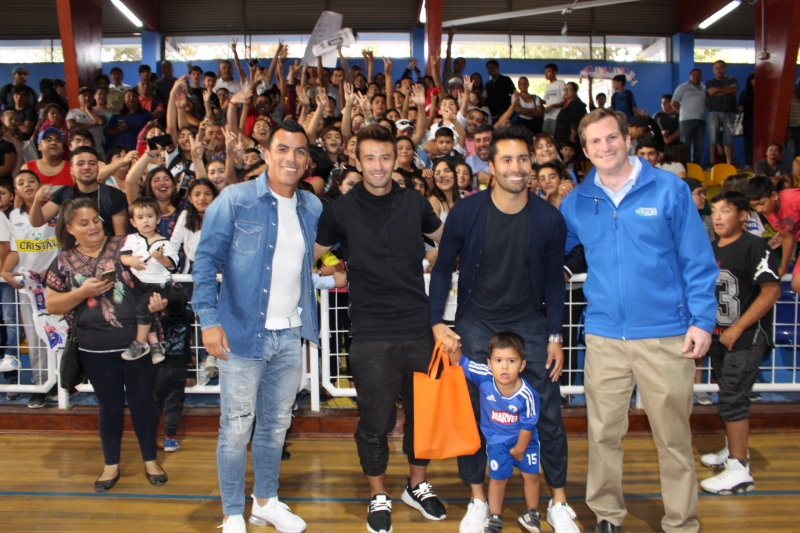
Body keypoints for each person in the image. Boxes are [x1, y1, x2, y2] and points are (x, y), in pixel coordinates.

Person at [559, 108, 718, 533]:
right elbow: (559, 249)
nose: (605, 147)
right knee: (602, 434)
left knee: (673, 438)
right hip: (604, 336)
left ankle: (681, 521)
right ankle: (607, 514)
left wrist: (702, 321)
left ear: (627, 139)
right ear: (584, 150)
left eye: (611, 137)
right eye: (595, 141)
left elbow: (698, 260)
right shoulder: (576, 203)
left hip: (667, 335)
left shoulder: (670, 189)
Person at [429, 126, 578, 533]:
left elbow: (554, 280)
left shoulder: (549, 218)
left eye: (523, 158)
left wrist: (555, 335)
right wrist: (438, 322)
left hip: (530, 326)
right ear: (490, 166)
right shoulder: (466, 213)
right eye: (507, 159)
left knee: (548, 413)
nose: (517, 167)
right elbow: (442, 269)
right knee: (473, 416)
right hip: (477, 324)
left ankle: (558, 500)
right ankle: (478, 500)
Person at [314, 125, 446, 533]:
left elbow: (448, 240)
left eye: (385, 157)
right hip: (371, 331)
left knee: (423, 417)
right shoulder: (339, 209)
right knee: (375, 422)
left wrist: (435, 257)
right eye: (369, 158)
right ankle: (378, 494)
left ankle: (416, 486)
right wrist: (332, 270)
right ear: (356, 160)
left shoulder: (414, 202)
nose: (378, 165)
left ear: (396, 159)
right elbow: (312, 254)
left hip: (417, 326)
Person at [193, 120, 320, 533]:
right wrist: (209, 321)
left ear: (307, 160)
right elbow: (205, 262)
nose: (291, 158)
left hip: (290, 335)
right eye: (282, 148)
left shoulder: (312, 207)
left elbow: (310, 258)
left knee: (276, 426)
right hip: (241, 334)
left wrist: (334, 268)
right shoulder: (235, 199)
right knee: (235, 428)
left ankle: (265, 502)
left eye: (299, 151)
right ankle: (232, 513)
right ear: (266, 153)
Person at [44, 198, 168, 491]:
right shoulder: (63, 260)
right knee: (108, 406)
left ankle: (150, 460)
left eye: (95, 220)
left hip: (137, 341)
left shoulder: (127, 245)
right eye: (84, 223)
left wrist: (158, 301)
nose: (93, 227)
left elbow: (158, 279)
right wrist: (81, 293)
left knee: (143, 403)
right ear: (70, 228)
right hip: (94, 347)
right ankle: (111, 464)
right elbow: (52, 304)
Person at [697, 191, 781, 495]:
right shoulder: (711, 248)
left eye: (726, 211)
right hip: (719, 336)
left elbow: (771, 291)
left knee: (733, 398)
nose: (718, 217)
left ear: (743, 215)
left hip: (746, 337)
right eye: (715, 211)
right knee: (727, 393)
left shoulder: (754, 246)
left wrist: (738, 328)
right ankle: (733, 448)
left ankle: (739, 469)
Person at [449, 332, 542, 533]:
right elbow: (459, 362)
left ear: (522, 365)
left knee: (531, 476)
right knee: (497, 479)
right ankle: (495, 516)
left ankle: (532, 513)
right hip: (497, 442)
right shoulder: (484, 376)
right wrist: (452, 344)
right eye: (499, 360)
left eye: (511, 361)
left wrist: (519, 449)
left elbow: (528, 426)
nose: (504, 367)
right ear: (489, 364)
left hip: (525, 441)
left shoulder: (528, 395)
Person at [0, 170, 60, 408]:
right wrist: (6, 271)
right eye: (21, 183)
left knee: (60, 333)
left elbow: (67, 244)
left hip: (55, 285)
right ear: (16, 191)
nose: (27, 185)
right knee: (35, 337)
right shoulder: (14, 215)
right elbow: (16, 249)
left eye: (31, 181)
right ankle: (40, 385)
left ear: (40, 185)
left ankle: (62, 383)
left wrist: (53, 271)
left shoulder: (56, 210)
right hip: (28, 288)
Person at [119, 197, 180, 363]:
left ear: (158, 219)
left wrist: (161, 258)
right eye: (140, 217)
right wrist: (131, 260)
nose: (145, 221)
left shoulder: (164, 243)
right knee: (145, 313)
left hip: (157, 284)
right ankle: (155, 345)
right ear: (133, 222)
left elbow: (173, 265)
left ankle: (139, 344)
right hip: (138, 283)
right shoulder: (132, 239)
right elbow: (123, 257)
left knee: (143, 309)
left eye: (150, 216)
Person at [29, 147, 129, 237]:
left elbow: (120, 236)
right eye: (80, 164)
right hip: (72, 249)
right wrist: (37, 202)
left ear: (98, 168)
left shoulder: (114, 195)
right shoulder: (64, 194)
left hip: (106, 249)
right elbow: (37, 222)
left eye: (92, 163)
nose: (86, 167)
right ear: (71, 170)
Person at [153, 286, 194, 453]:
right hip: (179, 368)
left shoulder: (157, 320)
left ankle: (149, 439)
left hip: (159, 368)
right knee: (174, 404)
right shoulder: (188, 317)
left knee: (155, 404)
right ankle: (170, 440)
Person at [746, 176, 800, 277]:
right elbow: (787, 237)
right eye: (754, 205)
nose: (759, 209)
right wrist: (783, 267)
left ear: (774, 196)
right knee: (797, 282)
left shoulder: (794, 198)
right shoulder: (769, 211)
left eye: (761, 204)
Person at [706, 60, 738, 165]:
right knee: (713, 139)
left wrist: (718, 90)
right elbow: (711, 92)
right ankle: (712, 164)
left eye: (721, 67)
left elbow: (734, 90)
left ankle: (729, 163)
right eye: (716, 68)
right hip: (714, 113)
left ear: (725, 68)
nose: (719, 70)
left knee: (729, 139)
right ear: (713, 70)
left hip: (729, 112)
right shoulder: (710, 82)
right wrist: (727, 90)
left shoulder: (732, 79)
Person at [672, 68, 707, 165]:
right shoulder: (682, 87)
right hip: (686, 120)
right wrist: (683, 112)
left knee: (699, 145)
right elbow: (674, 103)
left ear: (701, 76)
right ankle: (685, 165)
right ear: (690, 76)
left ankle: (696, 165)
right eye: (694, 74)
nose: (696, 76)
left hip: (701, 120)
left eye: (699, 74)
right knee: (686, 144)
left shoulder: (705, 88)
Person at [543, 64, 566, 136]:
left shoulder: (561, 83)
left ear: (555, 72)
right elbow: (545, 101)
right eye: (545, 72)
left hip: (556, 116)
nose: (546, 74)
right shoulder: (548, 86)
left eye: (548, 71)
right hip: (547, 117)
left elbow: (565, 100)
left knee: (556, 138)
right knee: (546, 137)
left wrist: (553, 106)